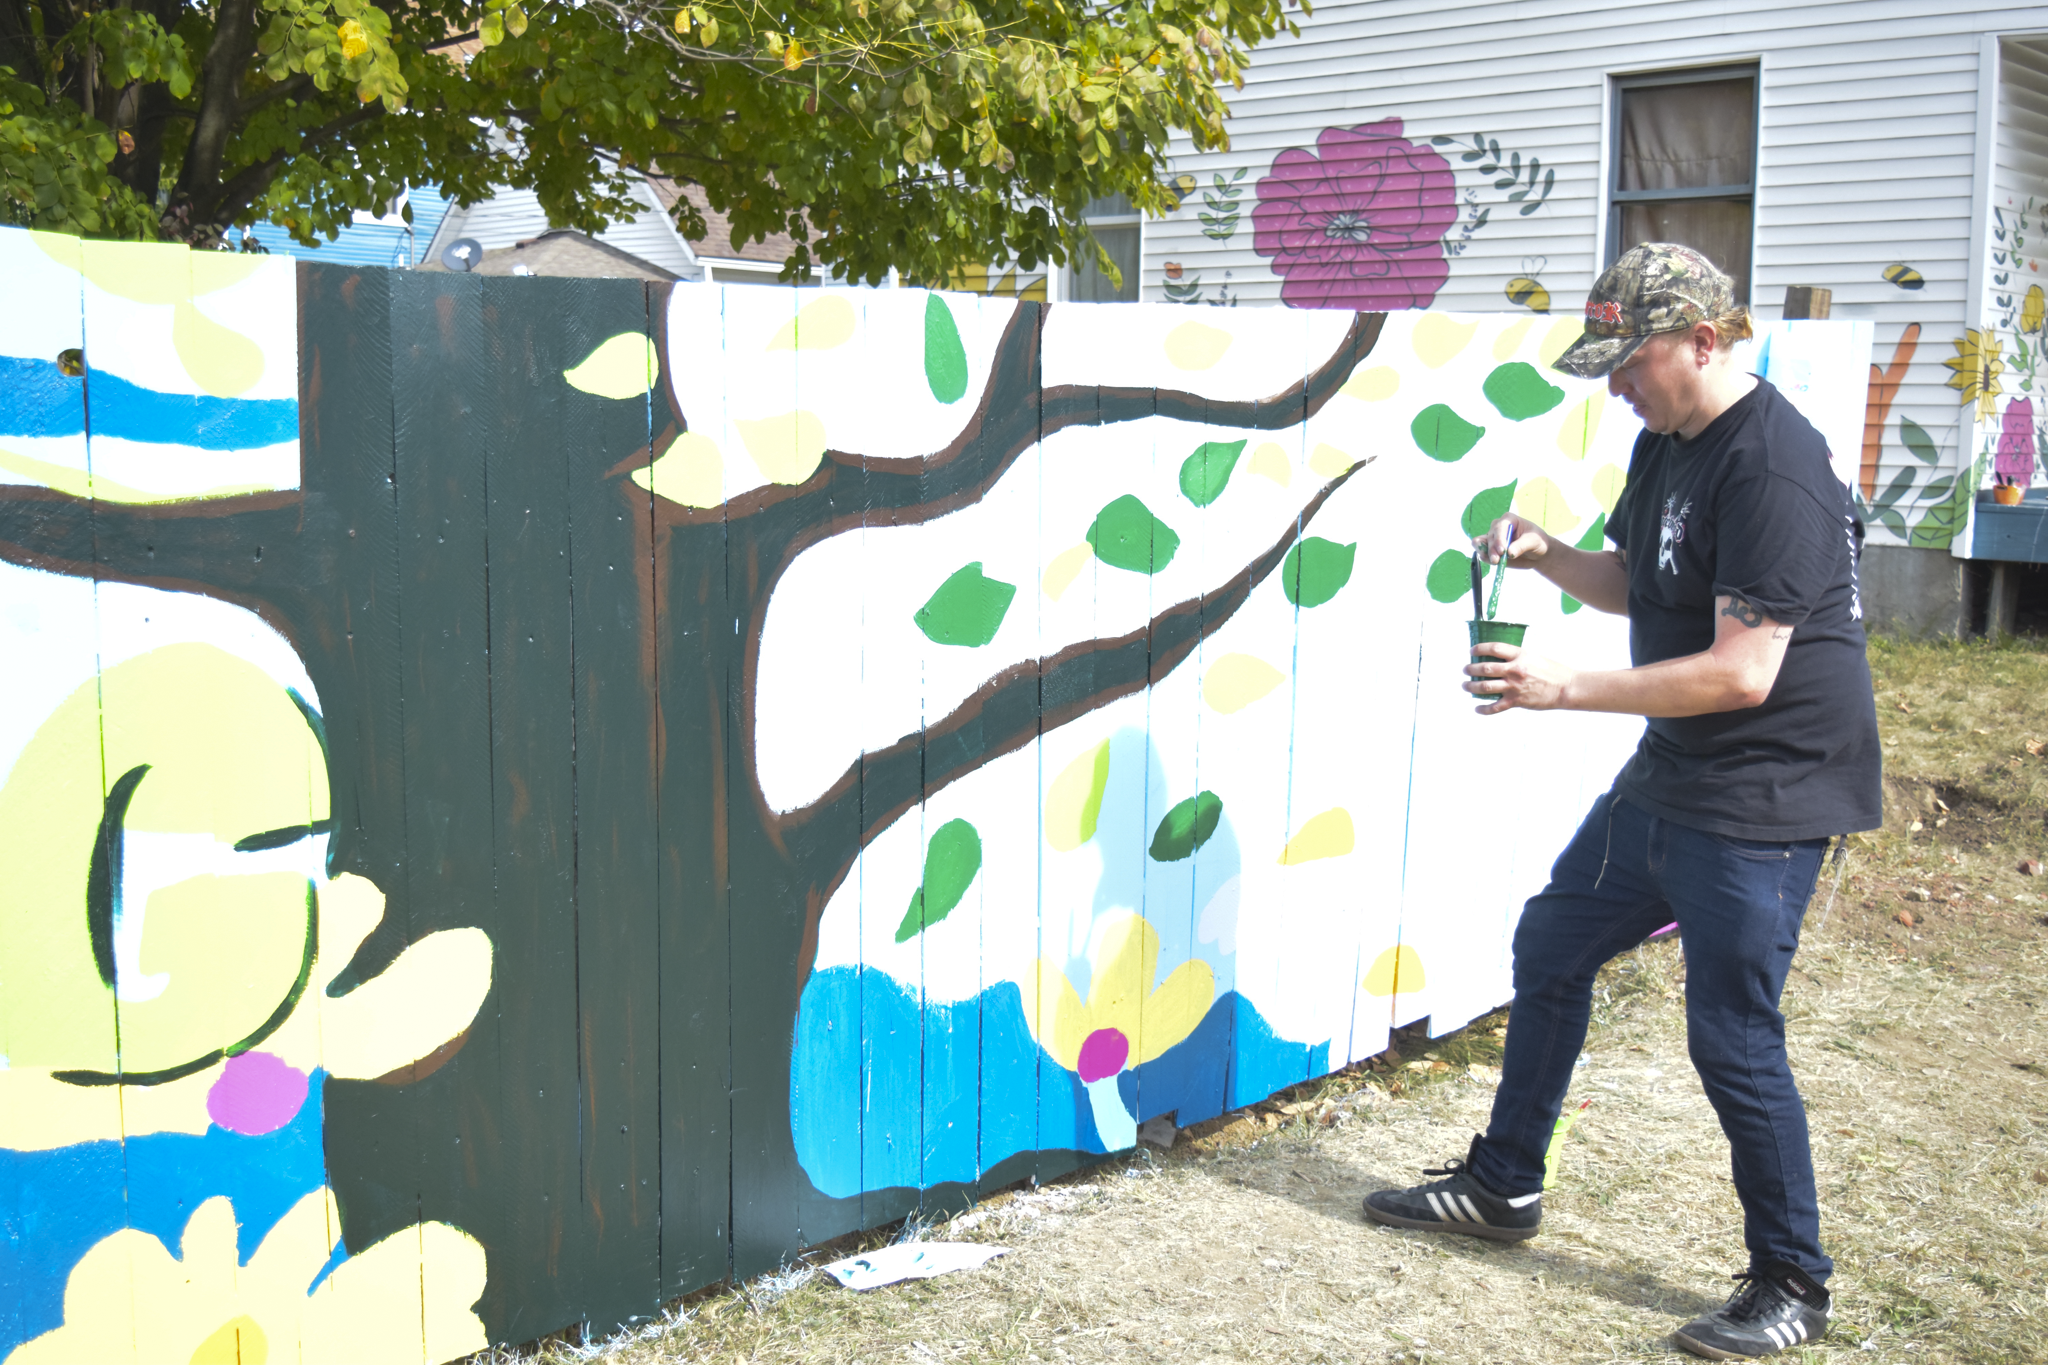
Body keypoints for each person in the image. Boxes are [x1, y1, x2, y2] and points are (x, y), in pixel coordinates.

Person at [1360, 243, 1881, 1361]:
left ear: (1704, 340)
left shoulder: (1774, 469)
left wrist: (1560, 689)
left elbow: (1741, 672)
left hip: (1768, 790)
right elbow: (1637, 581)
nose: (1617, 387)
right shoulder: (1667, 442)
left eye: (1631, 362)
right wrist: (1547, 553)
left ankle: (1792, 1282)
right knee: (1552, 941)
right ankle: (1503, 1184)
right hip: (1675, 769)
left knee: (1730, 1034)